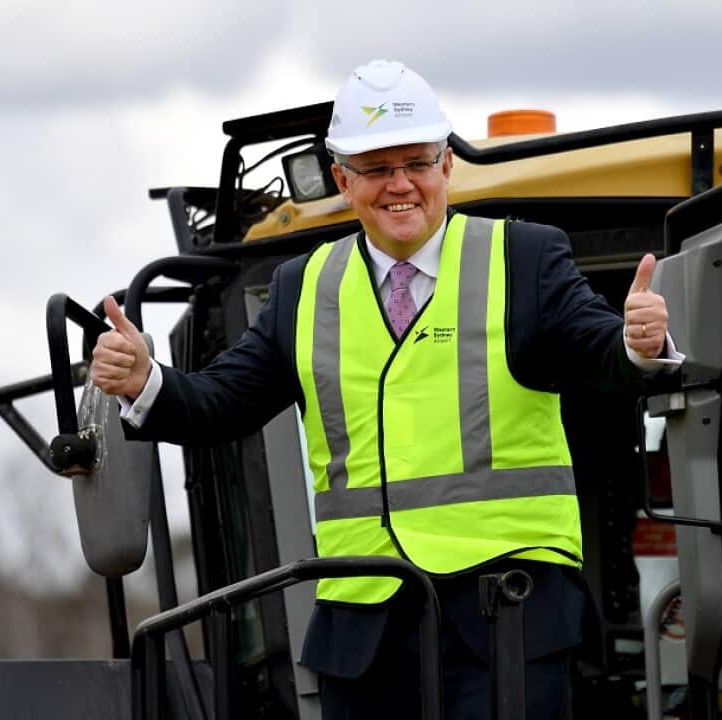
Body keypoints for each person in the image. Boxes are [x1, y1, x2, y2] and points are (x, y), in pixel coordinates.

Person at [91, 59, 680, 719]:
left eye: (417, 163)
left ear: (446, 165)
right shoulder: (302, 288)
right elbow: (224, 400)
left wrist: (638, 344)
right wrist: (146, 381)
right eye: (376, 168)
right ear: (344, 179)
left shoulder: (523, 258)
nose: (400, 184)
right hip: (362, 632)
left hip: (505, 619)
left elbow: (598, 352)